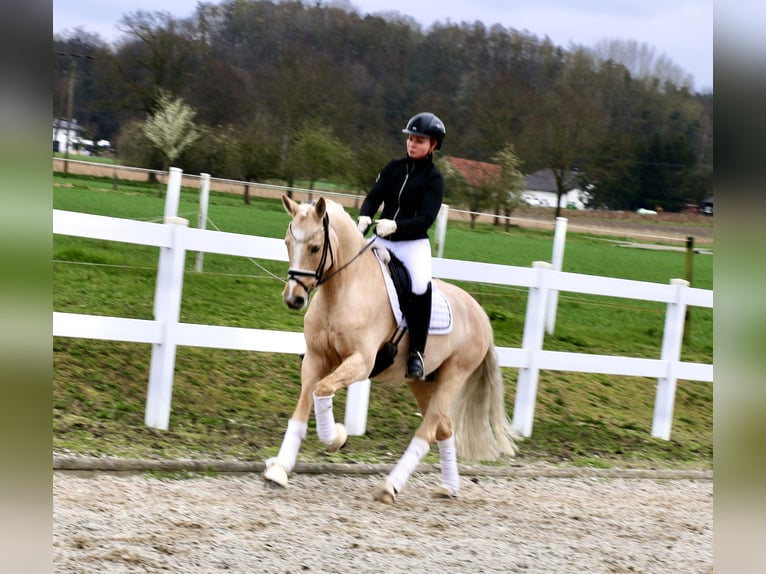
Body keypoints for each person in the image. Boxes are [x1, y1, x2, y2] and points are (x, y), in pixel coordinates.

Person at [356, 112, 446, 380]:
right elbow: (373, 198)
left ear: (433, 145)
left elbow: (426, 219)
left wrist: (397, 226)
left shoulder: (434, 179)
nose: (412, 144)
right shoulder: (393, 168)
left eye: (419, 140)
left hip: (412, 244)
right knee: (345, 266)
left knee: (420, 285)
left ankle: (417, 353)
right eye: (410, 138)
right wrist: (364, 215)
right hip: (381, 239)